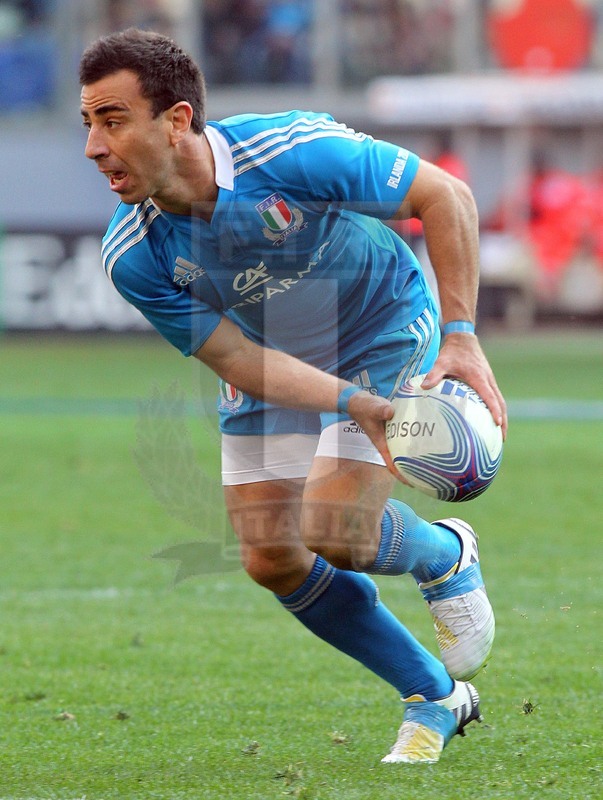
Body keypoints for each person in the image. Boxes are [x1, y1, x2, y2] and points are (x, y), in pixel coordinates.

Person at [79, 28, 507, 765]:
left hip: (376, 318)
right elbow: (239, 358)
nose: (94, 146)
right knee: (271, 556)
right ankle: (432, 694)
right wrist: (353, 405)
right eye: (87, 124)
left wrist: (462, 335)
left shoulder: (287, 151)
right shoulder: (134, 254)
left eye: (112, 120)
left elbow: (444, 195)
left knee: (335, 529)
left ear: (176, 121)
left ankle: (442, 553)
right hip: (275, 357)